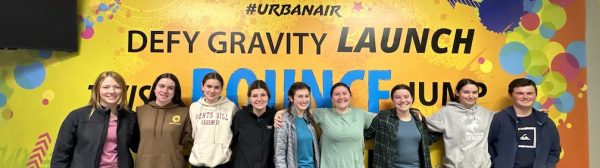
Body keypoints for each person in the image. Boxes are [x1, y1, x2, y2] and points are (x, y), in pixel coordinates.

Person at [51, 71, 139, 168]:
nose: (112, 91)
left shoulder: (131, 117)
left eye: (117, 87)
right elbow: (61, 154)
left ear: (123, 90)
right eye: (106, 87)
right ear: (97, 90)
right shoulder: (77, 116)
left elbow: (140, 147)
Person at [488, 78, 561, 167]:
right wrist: (497, 164)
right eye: (520, 93)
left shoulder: (546, 122)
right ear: (510, 95)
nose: (525, 97)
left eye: (529, 93)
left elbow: (554, 151)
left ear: (535, 95)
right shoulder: (499, 119)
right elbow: (487, 145)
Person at [365, 84, 440, 168]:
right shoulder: (383, 117)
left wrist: (446, 129)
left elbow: (427, 140)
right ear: (393, 100)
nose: (403, 100)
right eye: (398, 97)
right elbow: (368, 134)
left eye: (406, 97)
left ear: (412, 99)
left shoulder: (418, 118)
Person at [426, 78, 495, 167]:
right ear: (457, 93)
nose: (471, 96)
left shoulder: (486, 113)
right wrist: (413, 115)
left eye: (474, 92)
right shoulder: (446, 112)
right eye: (466, 92)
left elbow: (505, 119)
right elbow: (423, 123)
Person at [311, 82, 375, 168]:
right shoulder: (323, 113)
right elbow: (299, 112)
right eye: (337, 94)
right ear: (331, 99)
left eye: (344, 93)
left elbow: (384, 119)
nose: (341, 97)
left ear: (350, 96)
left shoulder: (361, 114)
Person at [135, 73, 192, 168]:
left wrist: (173, 156)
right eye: (161, 86)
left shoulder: (185, 112)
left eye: (170, 88)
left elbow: (188, 141)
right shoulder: (141, 111)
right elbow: (134, 140)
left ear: (175, 92)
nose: (165, 91)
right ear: (154, 89)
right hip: (143, 164)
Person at [189, 72, 238, 168]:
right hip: (197, 161)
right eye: (209, 86)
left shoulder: (230, 107)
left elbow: (236, 133)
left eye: (216, 87)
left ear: (221, 89)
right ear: (202, 86)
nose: (212, 90)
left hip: (222, 162)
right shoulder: (194, 107)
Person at [231, 80, 276, 168]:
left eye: (263, 95)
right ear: (249, 98)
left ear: (268, 97)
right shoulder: (240, 116)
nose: (259, 99)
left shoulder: (275, 116)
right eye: (255, 96)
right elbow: (233, 142)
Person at [274, 82, 320, 168]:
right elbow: (279, 156)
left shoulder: (309, 119)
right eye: (300, 96)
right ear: (291, 98)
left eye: (307, 96)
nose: (304, 100)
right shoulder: (283, 120)